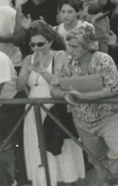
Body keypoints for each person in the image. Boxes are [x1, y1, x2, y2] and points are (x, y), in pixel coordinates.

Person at [18, 21, 87, 186]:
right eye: (32, 44)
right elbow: (19, 86)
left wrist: (41, 69)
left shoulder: (59, 55)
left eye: (40, 43)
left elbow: (59, 83)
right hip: (34, 107)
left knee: (59, 144)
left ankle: (66, 179)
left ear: (50, 42)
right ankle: (45, 180)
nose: (36, 47)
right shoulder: (28, 58)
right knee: (37, 144)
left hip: (53, 105)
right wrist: (27, 68)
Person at [56, 21, 118, 172]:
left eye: (75, 47)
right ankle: (106, 181)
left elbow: (113, 89)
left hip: (109, 117)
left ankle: (117, 181)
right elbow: (55, 88)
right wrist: (65, 94)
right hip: (82, 120)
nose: (70, 50)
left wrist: (82, 96)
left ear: (88, 46)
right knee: (97, 159)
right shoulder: (67, 63)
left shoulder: (104, 60)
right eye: (69, 46)